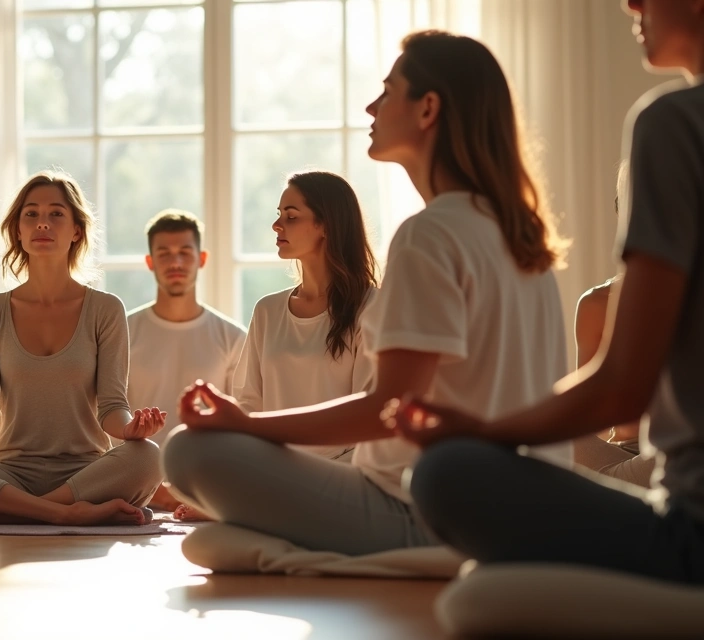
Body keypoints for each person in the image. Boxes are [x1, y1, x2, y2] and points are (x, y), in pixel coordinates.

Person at [164, 30, 571, 556]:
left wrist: (244, 424)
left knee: (187, 453)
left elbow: (387, 406)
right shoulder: (520, 233)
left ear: (428, 109)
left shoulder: (432, 233)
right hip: (508, 502)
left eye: (387, 90)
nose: (370, 105)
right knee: (212, 530)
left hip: (417, 506)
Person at [391, 0, 704, 584]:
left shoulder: (673, 122)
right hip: (645, 479)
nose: (629, 3)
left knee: (444, 473)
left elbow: (621, 390)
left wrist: (477, 430)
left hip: (692, 531)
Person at [0, 171, 165, 526]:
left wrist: (132, 430)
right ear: (18, 232)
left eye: (56, 214)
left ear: (76, 231)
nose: (42, 223)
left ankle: (0, 513)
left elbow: (113, 408)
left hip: (84, 474)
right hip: (9, 474)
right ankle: (63, 515)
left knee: (148, 457)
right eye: (31, 215)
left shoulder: (105, 309)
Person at [172, 170, 380, 522]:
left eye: (291, 216)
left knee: (218, 542)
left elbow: (366, 424)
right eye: (279, 214)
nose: (276, 225)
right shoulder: (268, 310)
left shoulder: (371, 307)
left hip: (341, 474)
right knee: (181, 450)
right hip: (273, 469)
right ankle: (257, 509)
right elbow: (249, 405)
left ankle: (260, 511)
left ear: (326, 225)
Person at [124, 209, 245, 512]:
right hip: (131, 488)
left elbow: (242, 426)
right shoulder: (121, 333)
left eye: (184, 253)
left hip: (207, 490)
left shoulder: (233, 337)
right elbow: (102, 422)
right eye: (164, 254)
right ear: (150, 262)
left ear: (201, 259)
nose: (175, 263)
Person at [570, 165, 654, 487]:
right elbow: (591, 418)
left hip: (674, 453)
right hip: (623, 457)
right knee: (556, 444)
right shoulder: (595, 304)